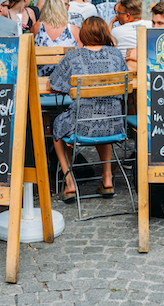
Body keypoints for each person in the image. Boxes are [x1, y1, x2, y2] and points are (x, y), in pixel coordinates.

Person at [49, 17, 129, 203]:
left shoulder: (73, 56)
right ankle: (107, 179)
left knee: (58, 125)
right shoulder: (116, 55)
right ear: (104, 33)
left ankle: (69, 183)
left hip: (82, 127)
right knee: (104, 115)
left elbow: (54, 83)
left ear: (83, 34)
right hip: (114, 125)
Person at [32, 0, 80, 75]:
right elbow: (79, 56)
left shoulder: (37, 27)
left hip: (41, 79)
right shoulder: (73, 29)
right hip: (67, 81)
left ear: (46, 9)